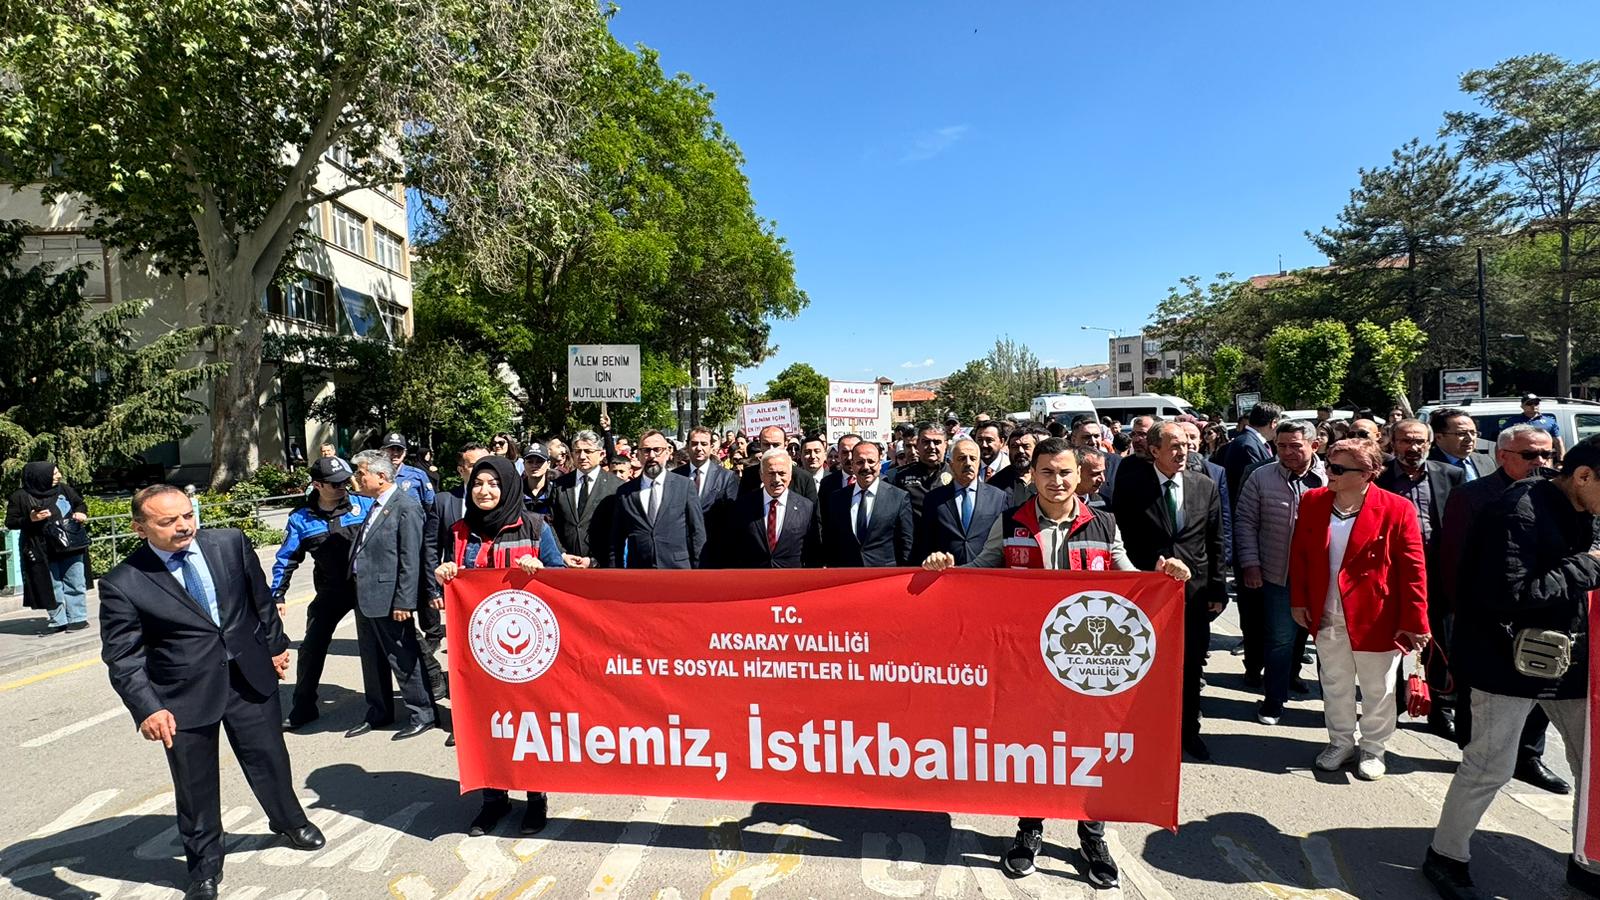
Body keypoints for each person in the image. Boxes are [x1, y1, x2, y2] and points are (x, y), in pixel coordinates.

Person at [922, 437, 1191, 887]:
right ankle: (1030, 829)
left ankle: (1092, 833)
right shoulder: (1011, 521)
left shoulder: (1103, 524)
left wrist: (1162, 577)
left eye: (1065, 472)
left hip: (1086, 665)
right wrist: (946, 569)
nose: (1057, 481)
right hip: (1027, 664)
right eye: (1047, 472)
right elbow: (980, 570)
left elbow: (1129, 578)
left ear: (1079, 475)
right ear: (1032, 475)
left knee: (1090, 747)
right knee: (1034, 748)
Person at [99, 485, 325, 899]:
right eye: (167, 521)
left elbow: (260, 602)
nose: (184, 526)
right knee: (194, 785)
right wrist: (148, 708)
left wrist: (275, 647)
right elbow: (123, 657)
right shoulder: (124, 582)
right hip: (182, 695)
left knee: (270, 757)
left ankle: (289, 820)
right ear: (139, 527)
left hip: (248, 676)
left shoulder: (229, 544)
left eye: (187, 515)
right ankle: (204, 865)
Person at [1424, 436, 1600, 899]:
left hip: (1571, 661)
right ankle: (1446, 857)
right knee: (1488, 767)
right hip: (1506, 663)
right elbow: (1509, 595)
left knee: (1594, 767)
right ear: (1583, 476)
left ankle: (1589, 859)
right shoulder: (1516, 512)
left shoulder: (1581, 507)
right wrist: (1589, 565)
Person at [1433, 424, 1568, 795]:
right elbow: (1455, 562)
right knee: (1480, 695)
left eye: (1547, 455)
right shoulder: (1472, 496)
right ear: (1503, 456)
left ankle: (1528, 757)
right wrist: (1467, 614)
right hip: (1486, 618)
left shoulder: (1558, 495)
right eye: (1530, 455)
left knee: (1540, 690)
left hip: (1543, 615)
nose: (1541, 462)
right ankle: (1475, 757)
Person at [434, 455, 566, 835]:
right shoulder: (459, 531)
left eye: (493, 483)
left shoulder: (536, 527)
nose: (484, 491)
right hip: (477, 651)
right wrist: (444, 573)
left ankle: (536, 798)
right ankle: (493, 798)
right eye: (478, 483)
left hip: (528, 653)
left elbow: (562, 581)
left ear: (508, 486)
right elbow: (452, 577)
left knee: (529, 723)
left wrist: (540, 571)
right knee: (485, 723)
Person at [1288, 437, 1428, 781]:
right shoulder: (1313, 501)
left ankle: (1374, 747)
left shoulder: (1397, 508)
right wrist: (1299, 600)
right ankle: (1340, 741)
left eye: (1337, 468)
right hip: (1326, 612)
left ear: (1367, 473)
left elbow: (1414, 569)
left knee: (1378, 688)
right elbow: (1301, 555)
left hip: (1376, 615)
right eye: (1328, 463)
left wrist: (1415, 620)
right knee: (1334, 681)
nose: (1327, 472)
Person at [1112, 422, 1227, 761]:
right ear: (1153, 450)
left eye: (1186, 445)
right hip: (1146, 592)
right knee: (1146, 665)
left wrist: (1217, 590)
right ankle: (1145, 733)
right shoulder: (1133, 485)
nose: (1182, 451)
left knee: (1190, 665)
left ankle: (1188, 732)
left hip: (1193, 593)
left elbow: (1215, 541)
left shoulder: (1204, 486)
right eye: (1173, 445)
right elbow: (1122, 538)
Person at [272, 456, 378, 730]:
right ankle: (304, 706)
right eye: (334, 484)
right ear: (317, 485)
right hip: (332, 591)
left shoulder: (364, 506)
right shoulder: (301, 519)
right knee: (312, 646)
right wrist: (278, 594)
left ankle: (423, 696)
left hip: (367, 587)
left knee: (387, 642)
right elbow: (286, 558)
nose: (343, 486)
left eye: (345, 480)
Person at [1377, 418, 1464, 738]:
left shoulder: (1450, 476)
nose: (1413, 448)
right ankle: (1393, 702)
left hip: (1437, 576)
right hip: (1390, 575)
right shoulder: (1380, 477)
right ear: (1392, 442)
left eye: (1419, 442)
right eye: (1405, 441)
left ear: (1430, 443)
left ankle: (1442, 707)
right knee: (1391, 642)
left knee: (1441, 642)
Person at [1235, 421, 1325, 723]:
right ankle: (1274, 699)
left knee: (1321, 641)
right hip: (1278, 575)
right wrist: (1251, 564)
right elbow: (1245, 522)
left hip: (1323, 577)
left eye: (1295, 446)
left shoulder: (1331, 477)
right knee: (1280, 639)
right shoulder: (1261, 477)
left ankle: (1300, 682)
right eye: (1281, 446)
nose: (1287, 452)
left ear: (1314, 446)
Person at [347, 451, 436, 741]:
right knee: (371, 659)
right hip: (367, 595)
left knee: (402, 657)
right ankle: (379, 711)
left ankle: (422, 713)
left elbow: (411, 559)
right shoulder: (375, 505)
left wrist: (404, 601)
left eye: (362, 473)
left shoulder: (406, 507)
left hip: (390, 598)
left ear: (381, 477)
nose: (357, 478)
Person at [381, 432, 445, 698]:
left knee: (422, 590)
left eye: (399, 450)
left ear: (405, 453)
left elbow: (432, 510)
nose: (395, 454)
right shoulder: (379, 476)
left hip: (416, 543)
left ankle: (432, 633)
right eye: (391, 449)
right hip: (390, 547)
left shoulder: (417, 476)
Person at [5, 461, 89, 635]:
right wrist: (31, 519)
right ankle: (58, 620)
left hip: (70, 544)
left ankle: (78, 618)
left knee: (75, 582)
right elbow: (11, 522)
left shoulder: (64, 489)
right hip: (41, 548)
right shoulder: (20, 496)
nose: (58, 476)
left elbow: (80, 503)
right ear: (40, 476)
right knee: (51, 586)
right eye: (54, 473)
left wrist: (81, 513)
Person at [610, 430, 706, 569]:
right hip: (640, 571)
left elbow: (697, 532)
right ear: (638, 455)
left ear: (667, 453)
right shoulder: (625, 492)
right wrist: (616, 574)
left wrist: (699, 572)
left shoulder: (684, 486)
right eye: (646, 451)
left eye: (657, 450)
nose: (652, 456)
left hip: (677, 570)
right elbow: (616, 539)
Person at [913, 436, 1006, 566]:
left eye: (973, 459)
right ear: (951, 465)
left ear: (979, 463)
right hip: (947, 574)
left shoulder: (998, 497)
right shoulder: (934, 498)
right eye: (962, 458)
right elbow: (925, 542)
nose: (968, 463)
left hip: (987, 574)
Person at [724, 449, 822, 568]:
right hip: (754, 580)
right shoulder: (743, 506)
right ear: (761, 475)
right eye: (771, 473)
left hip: (792, 580)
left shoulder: (806, 507)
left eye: (782, 473)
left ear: (790, 475)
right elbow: (733, 548)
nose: (776, 479)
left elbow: (813, 552)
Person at [824, 440, 913, 567]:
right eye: (860, 462)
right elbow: (831, 542)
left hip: (884, 578)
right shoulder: (837, 498)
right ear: (853, 465)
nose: (866, 467)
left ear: (880, 464)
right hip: (847, 577)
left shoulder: (898, 497)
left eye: (871, 461)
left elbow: (906, 544)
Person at [549, 429, 622, 567]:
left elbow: (619, 531)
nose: (582, 456)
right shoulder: (560, 485)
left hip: (602, 568)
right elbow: (552, 523)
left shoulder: (616, 487)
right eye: (577, 451)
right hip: (566, 565)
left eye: (588, 451)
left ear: (601, 454)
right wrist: (562, 554)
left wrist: (594, 561)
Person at [674, 426, 740, 565]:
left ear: (711, 447)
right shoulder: (674, 476)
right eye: (694, 444)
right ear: (687, 446)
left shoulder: (727, 477)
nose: (699, 448)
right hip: (681, 553)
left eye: (704, 444)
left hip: (715, 552)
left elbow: (731, 518)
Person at [739, 425, 821, 507]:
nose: (771, 449)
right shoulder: (748, 475)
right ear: (760, 445)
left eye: (776, 445)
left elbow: (812, 515)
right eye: (766, 444)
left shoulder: (803, 478)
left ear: (785, 445)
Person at [890, 422, 953, 524]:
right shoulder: (899, 477)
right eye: (926, 442)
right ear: (918, 444)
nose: (931, 447)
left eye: (937, 442)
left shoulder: (956, 476)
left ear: (945, 445)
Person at [990, 425, 1044, 508]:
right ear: (1009, 450)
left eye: (1026, 446)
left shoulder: (1046, 477)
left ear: (1036, 448)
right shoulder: (996, 484)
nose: (1020, 451)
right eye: (1015, 447)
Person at [1071, 417, 1120, 503]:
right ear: (1074, 439)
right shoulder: (1066, 463)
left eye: (1096, 436)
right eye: (1086, 437)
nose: (1093, 441)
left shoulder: (1117, 463)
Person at [1504, 393, 1565, 461]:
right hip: (1521, 460)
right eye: (1529, 403)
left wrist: (1561, 461)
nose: (1533, 406)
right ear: (1522, 406)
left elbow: (1558, 442)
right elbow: (1502, 442)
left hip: (1543, 460)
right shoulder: (1512, 422)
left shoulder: (1549, 422)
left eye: (1536, 403)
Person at [521, 441, 556, 519]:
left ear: (548, 464)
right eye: (530, 462)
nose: (534, 465)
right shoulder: (517, 491)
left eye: (540, 461)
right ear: (523, 464)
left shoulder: (555, 491)